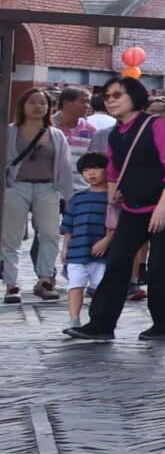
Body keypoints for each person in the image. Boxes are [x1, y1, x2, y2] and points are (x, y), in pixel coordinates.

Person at [63, 78, 165, 342]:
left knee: (160, 266)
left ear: (134, 96)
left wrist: (163, 205)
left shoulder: (157, 125)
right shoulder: (114, 134)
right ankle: (101, 324)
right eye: (107, 96)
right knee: (117, 261)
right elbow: (112, 172)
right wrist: (112, 204)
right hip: (133, 207)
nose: (110, 100)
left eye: (117, 95)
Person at [5, 86, 72, 302]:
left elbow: (65, 167)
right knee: (11, 237)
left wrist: (69, 197)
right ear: (22, 106)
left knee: (50, 234)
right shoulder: (10, 132)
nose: (38, 106)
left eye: (43, 103)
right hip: (16, 186)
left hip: (48, 188)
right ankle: (12, 284)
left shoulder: (56, 134)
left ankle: (45, 280)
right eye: (33, 102)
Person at [59, 152, 111, 325]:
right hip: (77, 250)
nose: (91, 173)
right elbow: (69, 226)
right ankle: (74, 319)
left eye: (96, 168)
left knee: (102, 288)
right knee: (75, 285)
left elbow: (117, 225)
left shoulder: (112, 198)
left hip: (102, 253)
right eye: (86, 170)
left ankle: (99, 321)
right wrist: (65, 248)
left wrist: (106, 241)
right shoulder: (78, 198)